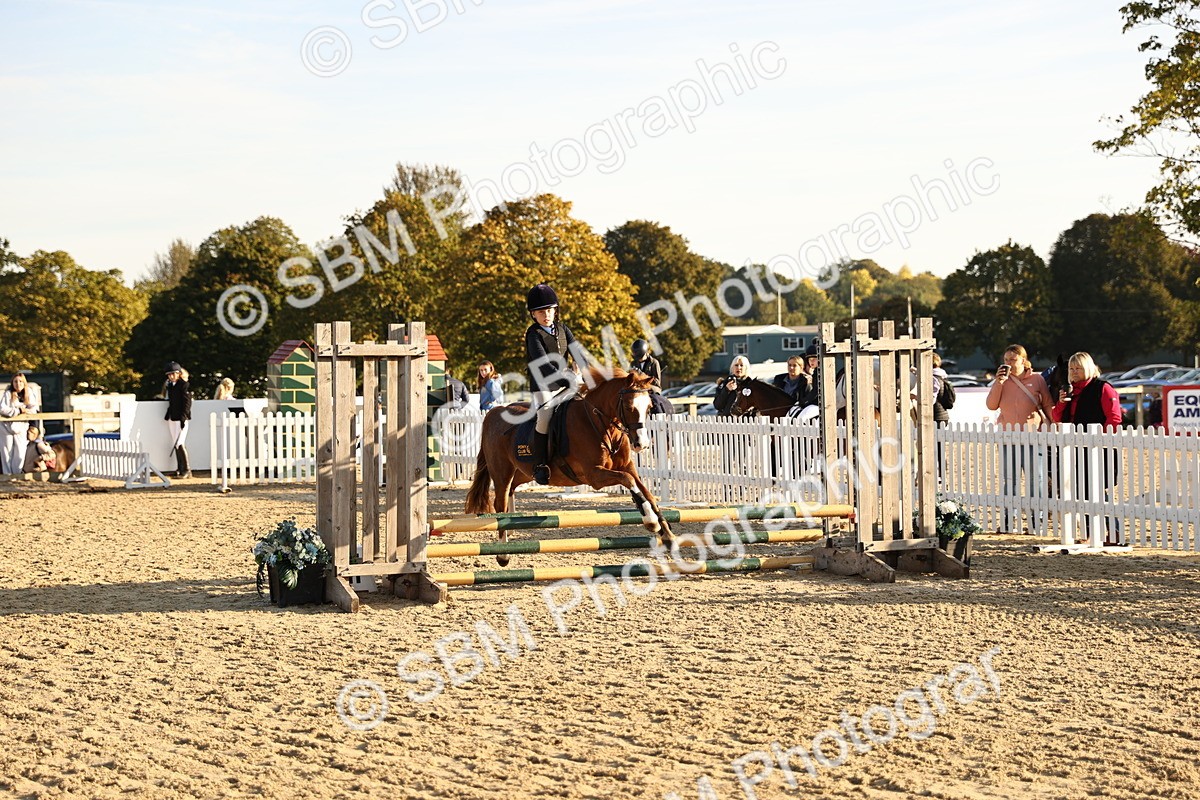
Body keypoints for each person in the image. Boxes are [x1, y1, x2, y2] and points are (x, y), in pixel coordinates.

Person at [1050, 351, 1123, 545]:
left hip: (1100, 448)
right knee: (1082, 492)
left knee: (1098, 491)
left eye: (1078, 368)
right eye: (1071, 368)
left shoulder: (1103, 388)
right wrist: (1061, 402)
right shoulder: (1070, 390)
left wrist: (1101, 443)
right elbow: (1057, 418)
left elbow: (1114, 418)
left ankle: (1114, 532)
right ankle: (1092, 533)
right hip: (1075, 449)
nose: (1074, 372)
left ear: (1088, 368)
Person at [985, 344, 1055, 533]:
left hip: (1033, 436)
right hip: (1008, 437)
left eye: (1013, 359)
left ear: (1023, 360)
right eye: (1006, 360)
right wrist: (998, 382)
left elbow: (1047, 404)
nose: (1008, 363)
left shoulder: (1037, 379)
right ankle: (1009, 520)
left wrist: (1055, 423)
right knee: (1010, 479)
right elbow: (991, 405)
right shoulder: (1002, 381)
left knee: (1036, 479)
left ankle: (1037, 520)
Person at [524, 283, 579, 485]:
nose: (546, 315)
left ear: (555, 310)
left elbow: (578, 353)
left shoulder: (563, 329)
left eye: (549, 310)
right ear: (533, 314)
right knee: (545, 415)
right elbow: (543, 365)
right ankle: (540, 465)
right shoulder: (533, 334)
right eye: (541, 312)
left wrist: (590, 374)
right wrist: (566, 379)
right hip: (543, 386)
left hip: (567, 382)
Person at [1, 373, 42, 475]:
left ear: (24, 383)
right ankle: (7, 475)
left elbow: (33, 409)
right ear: (12, 383)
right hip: (6, 427)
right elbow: (3, 409)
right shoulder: (8, 393)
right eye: (15, 381)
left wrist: (26, 412)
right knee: (6, 453)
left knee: (20, 452)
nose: (18, 384)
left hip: (21, 427)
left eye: (20, 381)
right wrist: (19, 410)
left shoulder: (29, 393)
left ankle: (17, 475)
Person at [164, 362, 193, 479]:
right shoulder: (171, 386)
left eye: (173, 374)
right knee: (175, 444)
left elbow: (187, 403)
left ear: (178, 374)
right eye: (169, 375)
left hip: (181, 418)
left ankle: (187, 470)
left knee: (180, 442)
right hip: (173, 417)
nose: (171, 376)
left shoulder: (184, 385)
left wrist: (183, 417)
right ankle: (179, 468)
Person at [630, 339, 673, 416]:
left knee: (655, 401)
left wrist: (642, 375)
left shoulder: (654, 363)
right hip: (639, 389)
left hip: (652, 389)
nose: (639, 359)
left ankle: (659, 416)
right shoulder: (634, 363)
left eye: (640, 357)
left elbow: (657, 382)